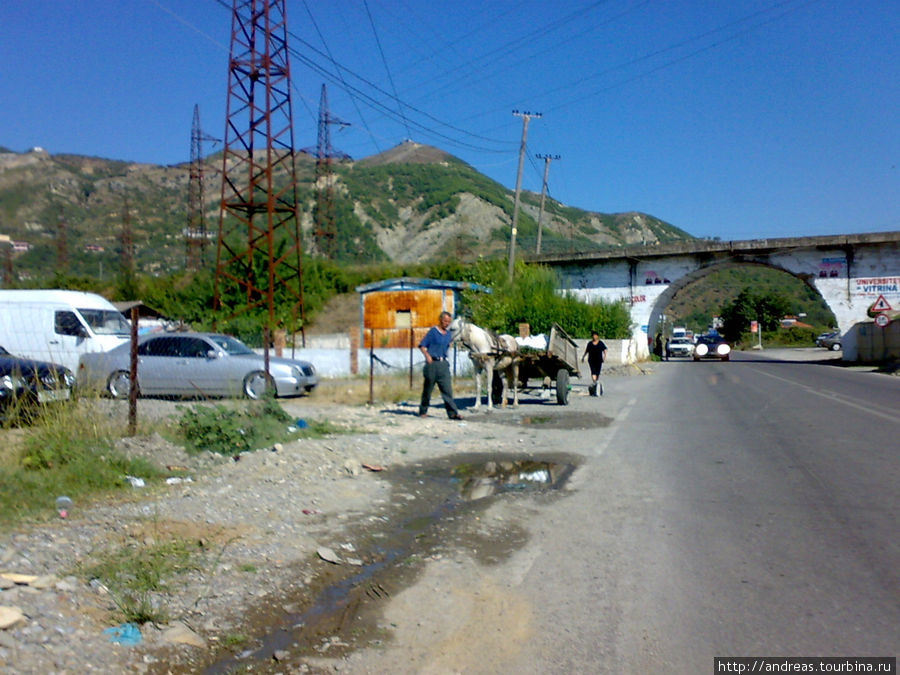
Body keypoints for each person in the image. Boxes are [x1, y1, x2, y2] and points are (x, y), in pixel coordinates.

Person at [418, 311, 463, 420]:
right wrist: (427, 356)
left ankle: (453, 413)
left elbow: (448, 345)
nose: (446, 323)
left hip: (443, 364)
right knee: (428, 390)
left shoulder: (448, 334)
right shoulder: (433, 332)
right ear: (440, 320)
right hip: (432, 364)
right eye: (445, 321)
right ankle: (423, 411)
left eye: (449, 322)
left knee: (447, 390)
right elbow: (422, 346)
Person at [581, 331, 607, 396]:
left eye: (595, 335)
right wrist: (583, 357)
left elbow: (605, 350)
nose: (594, 337)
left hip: (599, 360)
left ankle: (596, 382)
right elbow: (586, 351)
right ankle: (595, 382)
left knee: (597, 372)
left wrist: (604, 357)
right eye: (593, 335)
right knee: (593, 371)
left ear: (597, 336)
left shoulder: (601, 343)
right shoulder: (590, 343)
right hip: (591, 360)